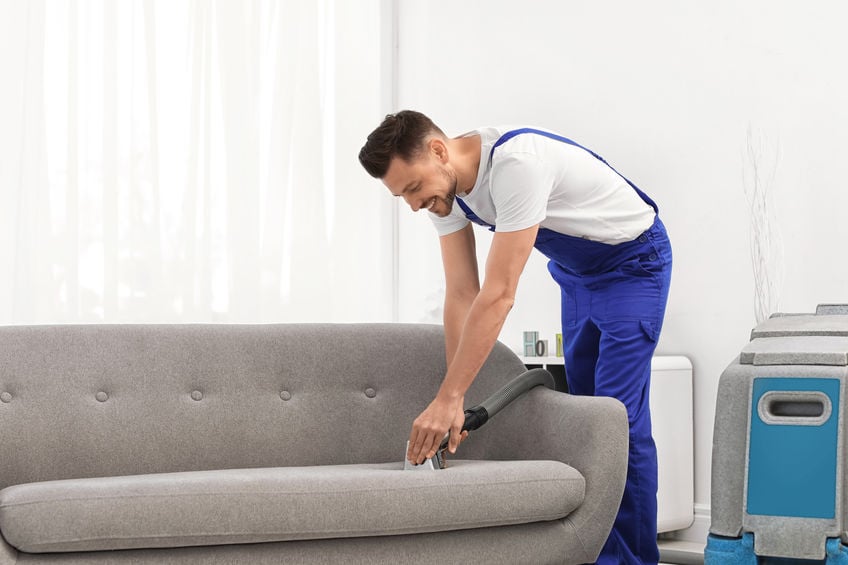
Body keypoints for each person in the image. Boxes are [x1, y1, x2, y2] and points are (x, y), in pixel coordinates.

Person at [358, 110, 672, 565]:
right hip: (578, 275)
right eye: (401, 196)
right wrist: (456, 399)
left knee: (617, 419)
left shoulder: (517, 166)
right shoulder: (446, 195)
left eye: (412, 188)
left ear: (438, 151)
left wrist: (449, 399)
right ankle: (597, 551)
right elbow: (462, 295)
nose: (413, 204)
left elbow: (499, 294)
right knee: (589, 419)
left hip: (633, 266)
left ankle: (632, 560)